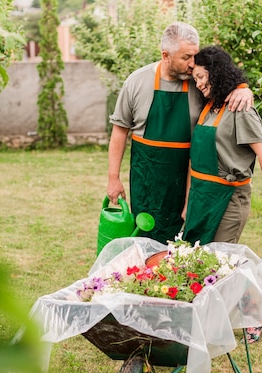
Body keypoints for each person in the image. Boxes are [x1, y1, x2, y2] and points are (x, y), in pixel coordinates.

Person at [183, 45, 262, 343]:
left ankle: (255, 313)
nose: (198, 84)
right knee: (202, 258)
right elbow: (194, 160)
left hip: (228, 197)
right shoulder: (209, 106)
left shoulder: (240, 108)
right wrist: (188, 201)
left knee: (223, 259)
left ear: (216, 73)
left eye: (201, 77)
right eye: (195, 78)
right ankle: (210, 315)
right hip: (201, 194)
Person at [107, 22, 253, 245]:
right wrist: (113, 178)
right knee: (144, 240)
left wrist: (243, 89)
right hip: (147, 179)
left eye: (195, 55)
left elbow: (227, 83)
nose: (193, 63)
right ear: (166, 55)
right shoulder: (137, 82)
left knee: (186, 245)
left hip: (188, 181)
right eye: (186, 57)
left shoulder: (199, 83)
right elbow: (119, 131)